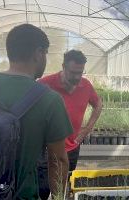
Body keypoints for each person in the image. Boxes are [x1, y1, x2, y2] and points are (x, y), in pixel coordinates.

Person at [0, 24, 72, 199]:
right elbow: (58, 161)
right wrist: (58, 197)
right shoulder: (49, 100)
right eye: (46, 53)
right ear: (38, 53)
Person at [38, 49, 102, 199]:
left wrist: (86, 129)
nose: (77, 77)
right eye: (73, 72)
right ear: (63, 66)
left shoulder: (86, 85)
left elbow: (98, 104)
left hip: (72, 147)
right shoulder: (45, 84)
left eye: (80, 72)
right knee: (43, 188)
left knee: (65, 186)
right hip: (48, 149)